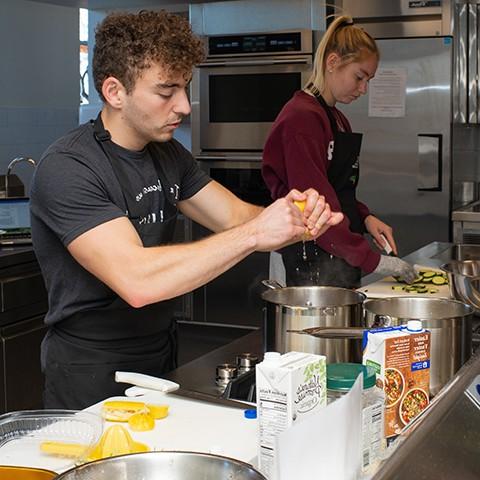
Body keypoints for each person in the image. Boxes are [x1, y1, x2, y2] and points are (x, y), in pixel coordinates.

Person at [30, 10, 343, 410]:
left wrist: (297, 218)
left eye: (185, 88)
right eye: (166, 92)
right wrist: (255, 235)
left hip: (160, 351)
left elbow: (234, 217)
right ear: (114, 92)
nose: (184, 106)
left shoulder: (167, 153)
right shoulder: (70, 167)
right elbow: (137, 280)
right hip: (89, 366)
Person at [262, 15, 416, 288]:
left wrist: (365, 217)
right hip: (306, 253)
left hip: (337, 249)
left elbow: (335, 188)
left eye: (368, 80)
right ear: (332, 62)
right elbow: (314, 206)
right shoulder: (301, 119)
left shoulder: (335, 118)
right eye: (359, 77)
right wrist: (373, 260)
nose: (364, 89)